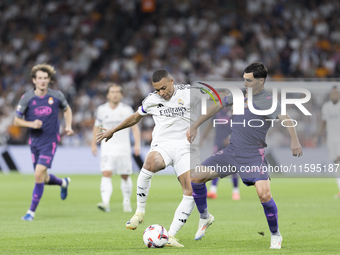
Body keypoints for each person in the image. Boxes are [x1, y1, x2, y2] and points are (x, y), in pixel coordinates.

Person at [187, 62, 303, 249]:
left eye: (249, 80)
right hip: (232, 152)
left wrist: (294, 141)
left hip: (252, 155)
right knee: (196, 177)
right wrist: (194, 126)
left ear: (261, 81)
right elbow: (217, 106)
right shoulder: (239, 94)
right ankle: (205, 217)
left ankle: (275, 234)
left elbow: (286, 119)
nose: (245, 83)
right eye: (244, 79)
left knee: (264, 195)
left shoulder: (268, 101)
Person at [97, 70, 200, 247]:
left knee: (191, 191)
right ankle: (139, 212)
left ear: (172, 81)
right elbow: (136, 117)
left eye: (164, 88)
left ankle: (171, 235)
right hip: (163, 145)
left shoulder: (189, 92)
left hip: (185, 146)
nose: (161, 93)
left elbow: (214, 100)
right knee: (150, 162)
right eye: (158, 89)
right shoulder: (152, 99)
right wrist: (112, 130)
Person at [14, 63, 74, 221]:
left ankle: (30, 212)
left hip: (50, 141)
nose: (42, 81)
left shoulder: (57, 96)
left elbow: (67, 109)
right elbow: (16, 120)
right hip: (34, 142)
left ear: (49, 80)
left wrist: (68, 126)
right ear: (34, 80)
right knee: (43, 177)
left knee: (38, 173)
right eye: (39, 78)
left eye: (45, 78)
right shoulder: (27, 97)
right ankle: (63, 183)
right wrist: (31, 124)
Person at [91, 84, 141, 213]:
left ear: (121, 94)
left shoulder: (127, 109)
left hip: (123, 148)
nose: (115, 94)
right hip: (107, 147)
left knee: (125, 175)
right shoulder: (101, 109)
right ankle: (105, 202)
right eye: (112, 92)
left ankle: (126, 203)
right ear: (108, 94)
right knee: (106, 173)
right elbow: (96, 127)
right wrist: (93, 144)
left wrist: (137, 144)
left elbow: (135, 128)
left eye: (118, 92)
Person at [199, 107, 240, 200]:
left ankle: (235, 192)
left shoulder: (233, 112)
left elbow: (238, 127)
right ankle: (213, 191)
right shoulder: (217, 112)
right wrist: (202, 139)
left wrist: (230, 138)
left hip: (231, 144)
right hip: (218, 144)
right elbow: (209, 126)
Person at [316, 86, 340, 198]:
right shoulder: (326, 107)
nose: (334, 95)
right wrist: (318, 136)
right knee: (336, 163)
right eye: (332, 93)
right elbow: (323, 122)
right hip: (331, 138)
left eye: (336, 93)